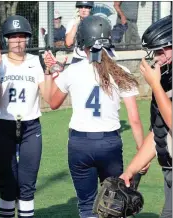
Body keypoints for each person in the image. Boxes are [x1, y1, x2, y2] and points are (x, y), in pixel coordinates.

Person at [44, 15, 144, 218]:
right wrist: (142, 152)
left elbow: (53, 103)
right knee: (115, 203)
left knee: (87, 205)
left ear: (83, 41)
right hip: (109, 142)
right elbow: (134, 118)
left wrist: (54, 72)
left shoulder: (72, 71)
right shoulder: (121, 71)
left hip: (80, 143)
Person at [0, 15, 53, 218]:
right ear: (6, 39)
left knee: (27, 185)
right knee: (7, 184)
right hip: (3, 126)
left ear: (28, 39)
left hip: (30, 127)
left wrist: (50, 71)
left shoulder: (36, 61)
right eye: (13, 36)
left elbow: (50, 97)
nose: (17, 41)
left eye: (22, 36)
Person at [120, 15, 172, 218]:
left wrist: (156, 85)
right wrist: (131, 170)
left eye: (161, 50)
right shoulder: (165, 78)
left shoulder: (159, 83)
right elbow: (158, 131)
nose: (157, 57)